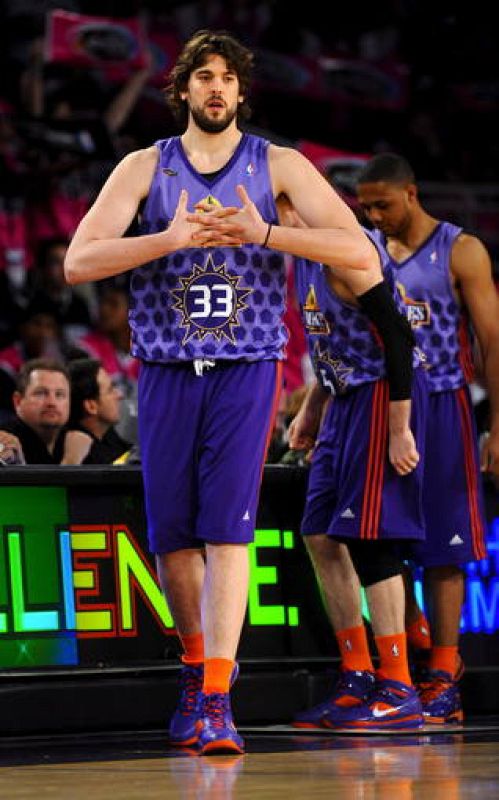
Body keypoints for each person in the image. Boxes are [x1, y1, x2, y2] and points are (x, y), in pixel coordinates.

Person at [63, 29, 380, 754]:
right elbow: (81, 261)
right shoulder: (145, 166)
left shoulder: (280, 165)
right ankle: (194, 668)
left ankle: (215, 697)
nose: (214, 87)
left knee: (228, 531)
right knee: (175, 538)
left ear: (240, 93)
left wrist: (263, 232)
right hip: (167, 369)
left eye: (226, 78)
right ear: (182, 90)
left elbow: (358, 248)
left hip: (247, 367)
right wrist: (168, 240)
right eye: (201, 76)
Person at [268, 197, 428, 730]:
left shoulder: (346, 250)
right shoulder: (303, 260)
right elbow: (335, 342)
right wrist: (314, 406)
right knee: (319, 534)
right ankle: (357, 675)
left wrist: (400, 426)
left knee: (371, 537)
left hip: (384, 396)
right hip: (343, 398)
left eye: (283, 204)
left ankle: (400, 684)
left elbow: (400, 340)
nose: (276, 213)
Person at [355, 153, 499, 723]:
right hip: (382, 405)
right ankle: (403, 659)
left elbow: (492, 343)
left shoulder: (460, 250)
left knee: (445, 547)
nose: (374, 214)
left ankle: (445, 671)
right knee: (380, 538)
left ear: (412, 193)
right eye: (365, 206)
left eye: (382, 204)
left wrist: (497, 428)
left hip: (443, 404)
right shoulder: (365, 249)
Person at [0, 357, 76, 464]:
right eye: (40, 393)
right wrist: (72, 460)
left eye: (60, 394)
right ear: (18, 401)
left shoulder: (77, 440)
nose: (51, 403)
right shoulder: (4, 443)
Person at [66, 357, 131, 464]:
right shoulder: (84, 456)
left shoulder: (107, 435)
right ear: (91, 406)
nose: (120, 395)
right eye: (110, 390)